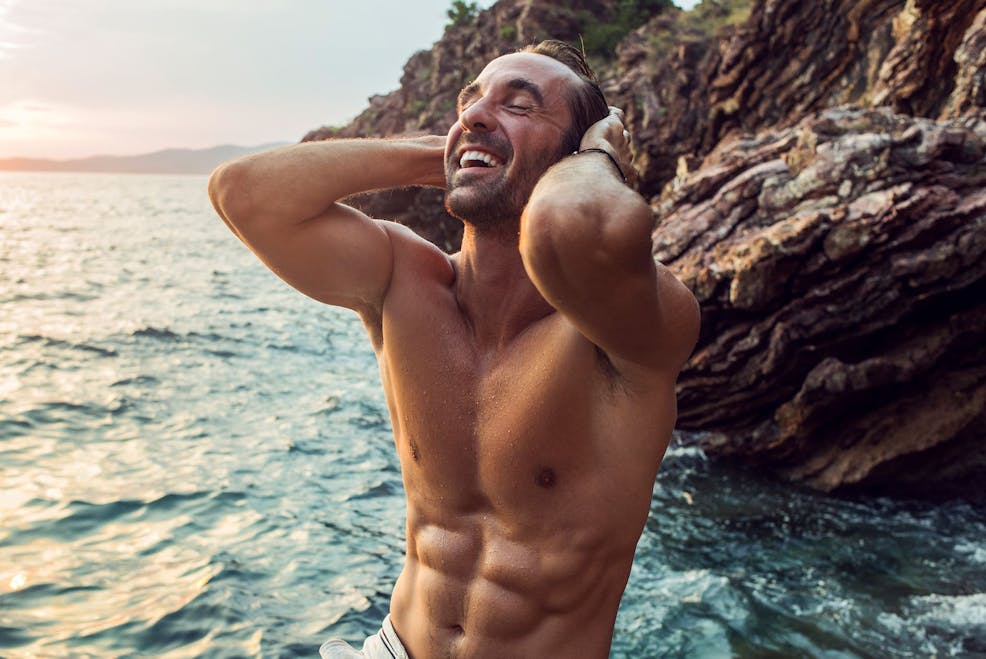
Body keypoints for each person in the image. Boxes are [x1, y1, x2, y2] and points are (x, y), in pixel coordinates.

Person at [209, 39, 699, 659]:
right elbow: (241, 193)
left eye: (520, 104)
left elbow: (570, 231)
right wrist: (463, 149)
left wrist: (595, 156)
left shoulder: (624, 329)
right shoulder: (403, 281)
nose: (476, 112)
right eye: (470, 100)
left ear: (578, 156)